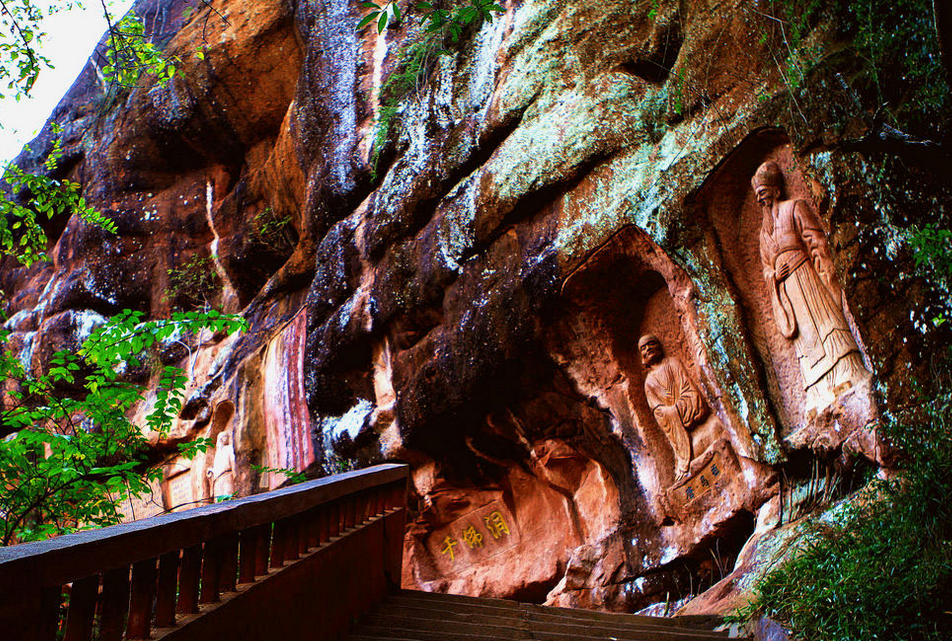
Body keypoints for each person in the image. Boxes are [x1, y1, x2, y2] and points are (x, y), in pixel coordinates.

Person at [753, 161, 868, 415]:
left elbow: (815, 241)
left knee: (825, 323)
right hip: (787, 291)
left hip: (807, 278)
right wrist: (774, 276)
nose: (762, 199)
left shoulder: (794, 207)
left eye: (764, 192)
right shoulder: (763, 234)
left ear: (776, 191)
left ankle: (847, 372)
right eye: (758, 196)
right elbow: (765, 267)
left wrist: (827, 274)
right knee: (805, 341)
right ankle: (819, 392)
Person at [639, 334, 707, 479]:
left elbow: (688, 389)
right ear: (642, 356)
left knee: (692, 399)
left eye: (651, 344)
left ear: (659, 347)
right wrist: (673, 411)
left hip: (687, 407)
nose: (648, 349)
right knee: (663, 414)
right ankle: (683, 455)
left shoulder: (673, 363)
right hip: (673, 417)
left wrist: (679, 406)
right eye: (644, 348)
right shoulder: (649, 382)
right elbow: (657, 410)